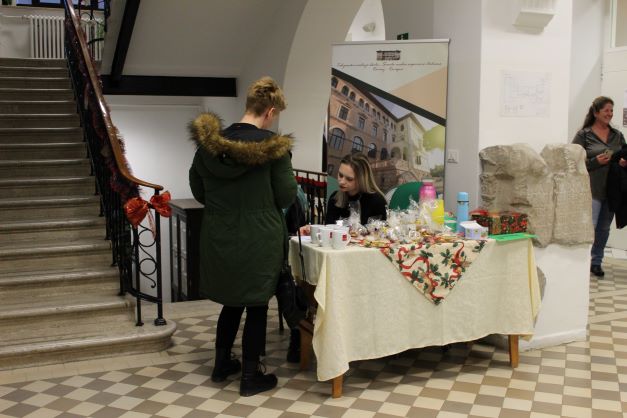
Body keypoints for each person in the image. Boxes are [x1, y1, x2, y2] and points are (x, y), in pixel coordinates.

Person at [189, 76, 297, 396]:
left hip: (219, 234)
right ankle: (251, 376)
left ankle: (221, 364)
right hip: (259, 236)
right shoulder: (274, 150)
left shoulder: (209, 146)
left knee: (232, 301)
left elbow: (198, 190)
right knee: (257, 304)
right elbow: (286, 195)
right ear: (270, 111)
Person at [572, 96, 627, 278]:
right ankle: (581, 262)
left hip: (612, 190)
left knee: (603, 229)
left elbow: (624, 154)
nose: (610, 114)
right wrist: (594, 162)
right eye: (606, 110)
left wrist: (623, 162)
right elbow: (572, 161)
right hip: (591, 189)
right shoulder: (584, 135)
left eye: (612, 110)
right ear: (596, 113)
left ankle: (596, 262)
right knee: (590, 227)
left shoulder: (617, 135)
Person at [325, 153, 387, 225]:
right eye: (340, 175)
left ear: (362, 180)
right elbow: (328, 228)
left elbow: (381, 231)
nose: (341, 182)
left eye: (349, 179)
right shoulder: (335, 198)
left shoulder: (377, 202)